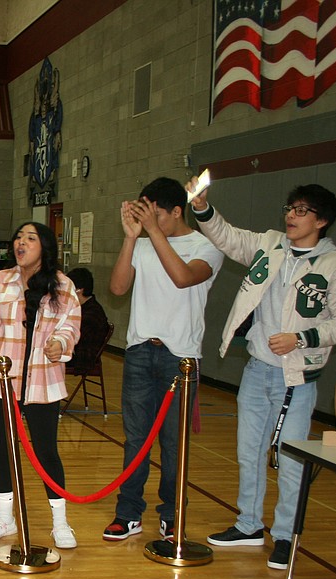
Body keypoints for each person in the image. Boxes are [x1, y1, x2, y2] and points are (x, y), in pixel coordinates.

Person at [191, 181, 336, 569]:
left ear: (321, 220)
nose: (290, 215)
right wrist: (203, 208)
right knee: (248, 452)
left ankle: (285, 536)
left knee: (290, 460)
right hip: (257, 370)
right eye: (290, 207)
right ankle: (249, 524)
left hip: (296, 379)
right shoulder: (269, 245)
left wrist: (303, 337)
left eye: (301, 211)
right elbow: (228, 237)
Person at [106, 176, 225, 543]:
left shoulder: (206, 247)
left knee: (174, 442)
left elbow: (183, 277)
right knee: (136, 438)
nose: (148, 222)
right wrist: (130, 237)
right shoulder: (141, 245)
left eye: (156, 214)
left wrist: (153, 233)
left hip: (181, 357)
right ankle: (128, 513)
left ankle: (172, 513)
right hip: (141, 350)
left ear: (176, 211)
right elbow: (118, 288)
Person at [0, 222, 81, 549]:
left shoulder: (63, 286)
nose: (21, 243)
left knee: (46, 452)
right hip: (1, 383)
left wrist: (60, 343)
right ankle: (5, 518)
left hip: (43, 382)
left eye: (30, 238)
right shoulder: (0, 281)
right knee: (3, 450)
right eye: (18, 237)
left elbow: (70, 326)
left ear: (44, 246)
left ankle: (60, 522)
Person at [66, 266, 109, 375]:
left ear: (79, 289)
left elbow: (76, 339)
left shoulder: (92, 313)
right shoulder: (83, 308)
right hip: (76, 353)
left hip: (82, 358)